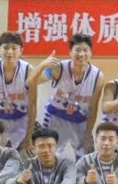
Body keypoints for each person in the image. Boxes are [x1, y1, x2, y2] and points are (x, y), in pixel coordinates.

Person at [37, 33, 104, 161]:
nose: (81, 54)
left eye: (85, 50)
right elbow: (34, 81)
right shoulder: (58, 68)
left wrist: (88, 133)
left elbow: (93, 107)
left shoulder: (98, 77)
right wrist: (43, 65)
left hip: (80, 121)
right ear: (70, 52)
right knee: (48, 156)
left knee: (86, 159)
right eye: (77, 50)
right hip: (55, 118)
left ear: (90, 53)